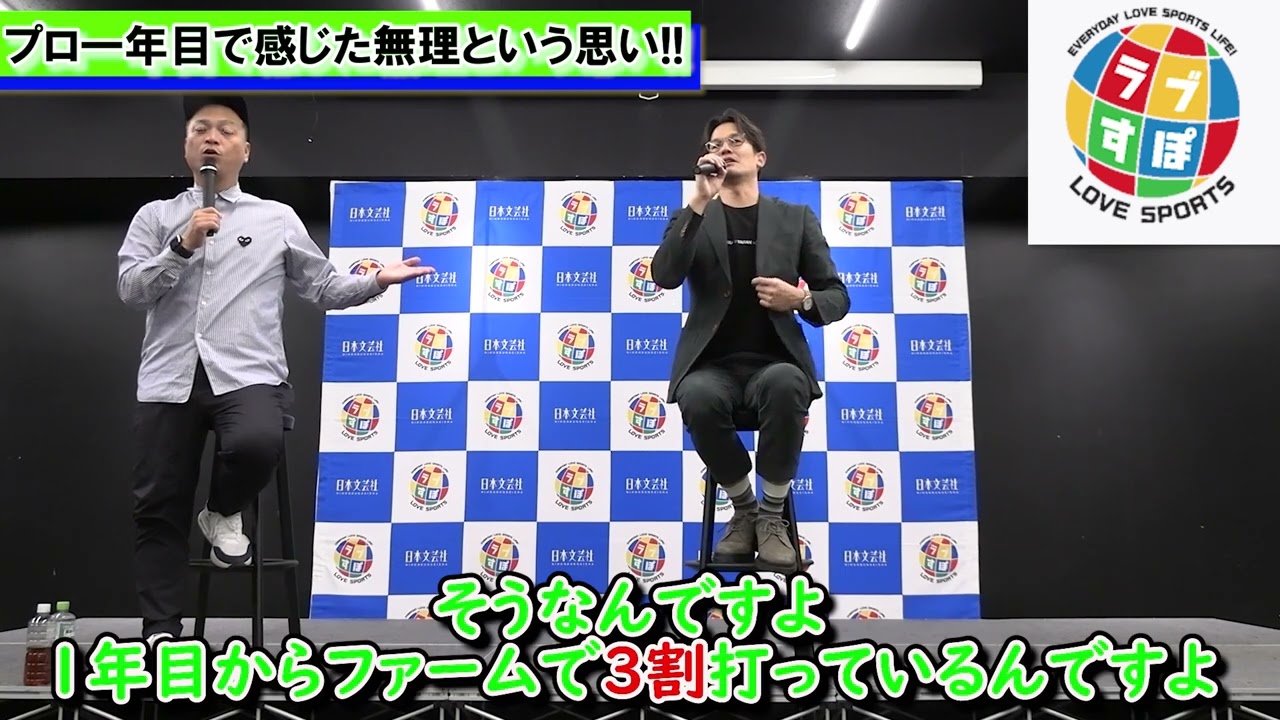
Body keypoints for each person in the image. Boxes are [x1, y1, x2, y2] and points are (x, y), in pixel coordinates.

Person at [115, 96, 434, 644]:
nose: (212, 138)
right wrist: (182, 245)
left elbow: (323, 287)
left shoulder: (276, 218)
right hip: (168, 378)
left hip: (248, 375)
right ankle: (160, 636)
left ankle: (222, 510)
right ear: (187, 146)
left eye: (226, 130)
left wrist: (377, 280)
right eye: (200, 129)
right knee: (158, 509)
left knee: (258, 441)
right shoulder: (156, 217)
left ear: (246, 150)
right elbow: (131, 289)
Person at [651, 109, 850, 573]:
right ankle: (745, 510)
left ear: (760, 157)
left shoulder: (795, 219)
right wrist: (699, 202)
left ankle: (772, 516)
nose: (723, 149)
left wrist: (799, 298)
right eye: (714, 144)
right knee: (697, 395)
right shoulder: (691, 217)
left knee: (785, 384)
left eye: (735, 141)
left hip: (773, 363)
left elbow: (837, 297)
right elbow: (664, 275)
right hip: (711, 367)